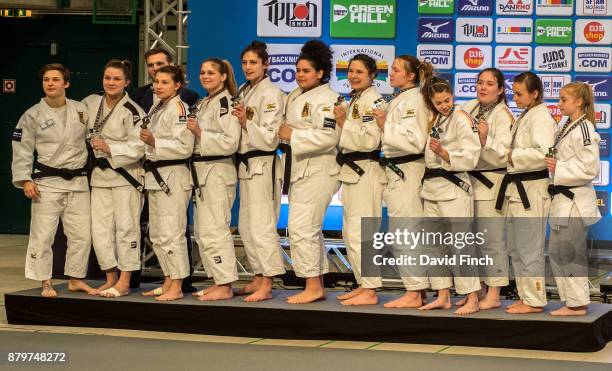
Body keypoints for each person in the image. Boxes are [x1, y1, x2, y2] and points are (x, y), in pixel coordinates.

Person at [11, 63, 95, 297]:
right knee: (43, 234)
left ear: (66, 83)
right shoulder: (32, 114)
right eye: (46, 79)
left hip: (77, 182)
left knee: (81, 234)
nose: (50, 83)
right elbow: (22, 149)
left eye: (55, 79)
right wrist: (25, 179)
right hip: (46, 182)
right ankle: (45, 281)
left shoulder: (80, 110)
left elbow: (93, 139)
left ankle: (76, 278)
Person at [129, 47, 199, 292]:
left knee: (172, 232)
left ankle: (178, 283)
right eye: (156, 81)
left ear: (177, 85)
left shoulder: (180, 109)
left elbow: (184, 147)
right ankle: (169, 279)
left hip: (173, 175)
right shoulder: (157, 108)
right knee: (158, 233)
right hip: (154, 175)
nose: (158, 85)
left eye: (165, 82)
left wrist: (154, 142)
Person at [277, 40, 341, 304]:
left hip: (319, 168)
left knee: (302, 228)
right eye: (298, 70)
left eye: (306, 71)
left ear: (321, 74)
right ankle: (316, 282)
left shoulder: (328, 99)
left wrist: (294, 136)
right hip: (299, 168)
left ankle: (313, 285)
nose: (300, 75)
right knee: (303, 229)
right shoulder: (294, 95)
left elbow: (329, 136)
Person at [372, 55, 434, 308]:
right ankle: (417, 290)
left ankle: (414, 289)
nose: (391, 73)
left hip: (409, 170)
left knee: (406, 233)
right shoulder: (401, 98)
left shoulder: (416, 100)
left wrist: (386, 125)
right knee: (403, 232)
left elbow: (415, 140)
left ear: (411, 76)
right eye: (391, 69)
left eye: (396, 70)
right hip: (399, 170)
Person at [417, 77, 482, 315]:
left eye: (447, 100)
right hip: (432, 188)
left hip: (454, 189)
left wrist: (444, 152)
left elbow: (471, 156)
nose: (444, 105)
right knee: (433, 247)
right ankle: (442, 294)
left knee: (461, 246)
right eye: (439, 102)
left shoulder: (463, 118)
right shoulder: (435, 119)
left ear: (453, 95)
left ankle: (472, 296)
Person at [81, 59, 146, 298]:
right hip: (99, 176)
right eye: (107, 78)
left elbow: (139, 147)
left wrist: (110, 148)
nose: (111, 82)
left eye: (117, 79)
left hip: (125, 176)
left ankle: (125, 280)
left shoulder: (133, 111)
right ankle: (110, 277)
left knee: (127, 229)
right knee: (99, 229)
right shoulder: (90, 103)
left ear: (127, 82)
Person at [495, 72, 557, 314]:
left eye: (520, 93)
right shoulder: (527, 115)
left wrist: (512, 155)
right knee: (517, 249)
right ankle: (525, 295)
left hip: (531, 190)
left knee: (529, 249)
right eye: (514, 92)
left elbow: (544, 154)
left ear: (535, 94)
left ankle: (534, 299)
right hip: (518, 188)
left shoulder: (541, 118)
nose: (515, 97)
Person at [232, 41, 286, 302]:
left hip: (263, 164)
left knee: (263, 226)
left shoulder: (272, 93)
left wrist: (246, 122)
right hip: (245, 165)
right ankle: (257, 274)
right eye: (245, 63)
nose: (248, 67)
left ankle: (268, 281)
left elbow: (270, 138)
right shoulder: (243, 90)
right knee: (246, 226)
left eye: (253, 62)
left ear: (266, 65)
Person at [333, 54, 386, 306]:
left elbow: (369, 140)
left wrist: (344, 122)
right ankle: (363, 282)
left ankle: (371, 288)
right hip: (352, 171)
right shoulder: (354, 99)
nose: (353, 76)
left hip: (367, 169)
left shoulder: (375, 101)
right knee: (350, 232)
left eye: (359, 72)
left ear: (372, 75)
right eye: (350, 71)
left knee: (363, 233)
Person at [459, 68, 514, 310]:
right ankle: (478, 289)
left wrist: (484, 140)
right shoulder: (469, 106)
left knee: (491, 241)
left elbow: (503, 154)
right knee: (472, 240)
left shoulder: (504, 115)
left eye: (490, 84)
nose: (482, 87)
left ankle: (494, 292)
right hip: (467, 182)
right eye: (480, 82)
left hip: (491, 182)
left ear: (500, 89)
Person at [187, 58, 241, 301]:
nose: (205, 76)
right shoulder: (203, 102)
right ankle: (216, 279)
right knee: (202, 231)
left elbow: (230, 142)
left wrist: (200, 132)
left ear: (222, 77)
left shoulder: (227, 102)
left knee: (216, 230)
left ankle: (226, 283)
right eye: (202, 72)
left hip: (218, 169)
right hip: (201, 170)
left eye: (211, 73)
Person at [546, 82, 600, 316]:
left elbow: (591, 168)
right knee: (557, 251)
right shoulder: (565, 125)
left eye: (564, 99)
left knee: (570, 251)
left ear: (578, 102)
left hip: (576, 200)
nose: (559, 104)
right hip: (561, 199)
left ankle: (577, 303)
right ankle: (570, 299)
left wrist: (560, 167)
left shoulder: (585, 129)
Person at [130, 47, 199, 112]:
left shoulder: (190, 97)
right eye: (150, 65)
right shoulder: (136, 95)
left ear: (171, 65)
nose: (155, 68)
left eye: (159, 64)